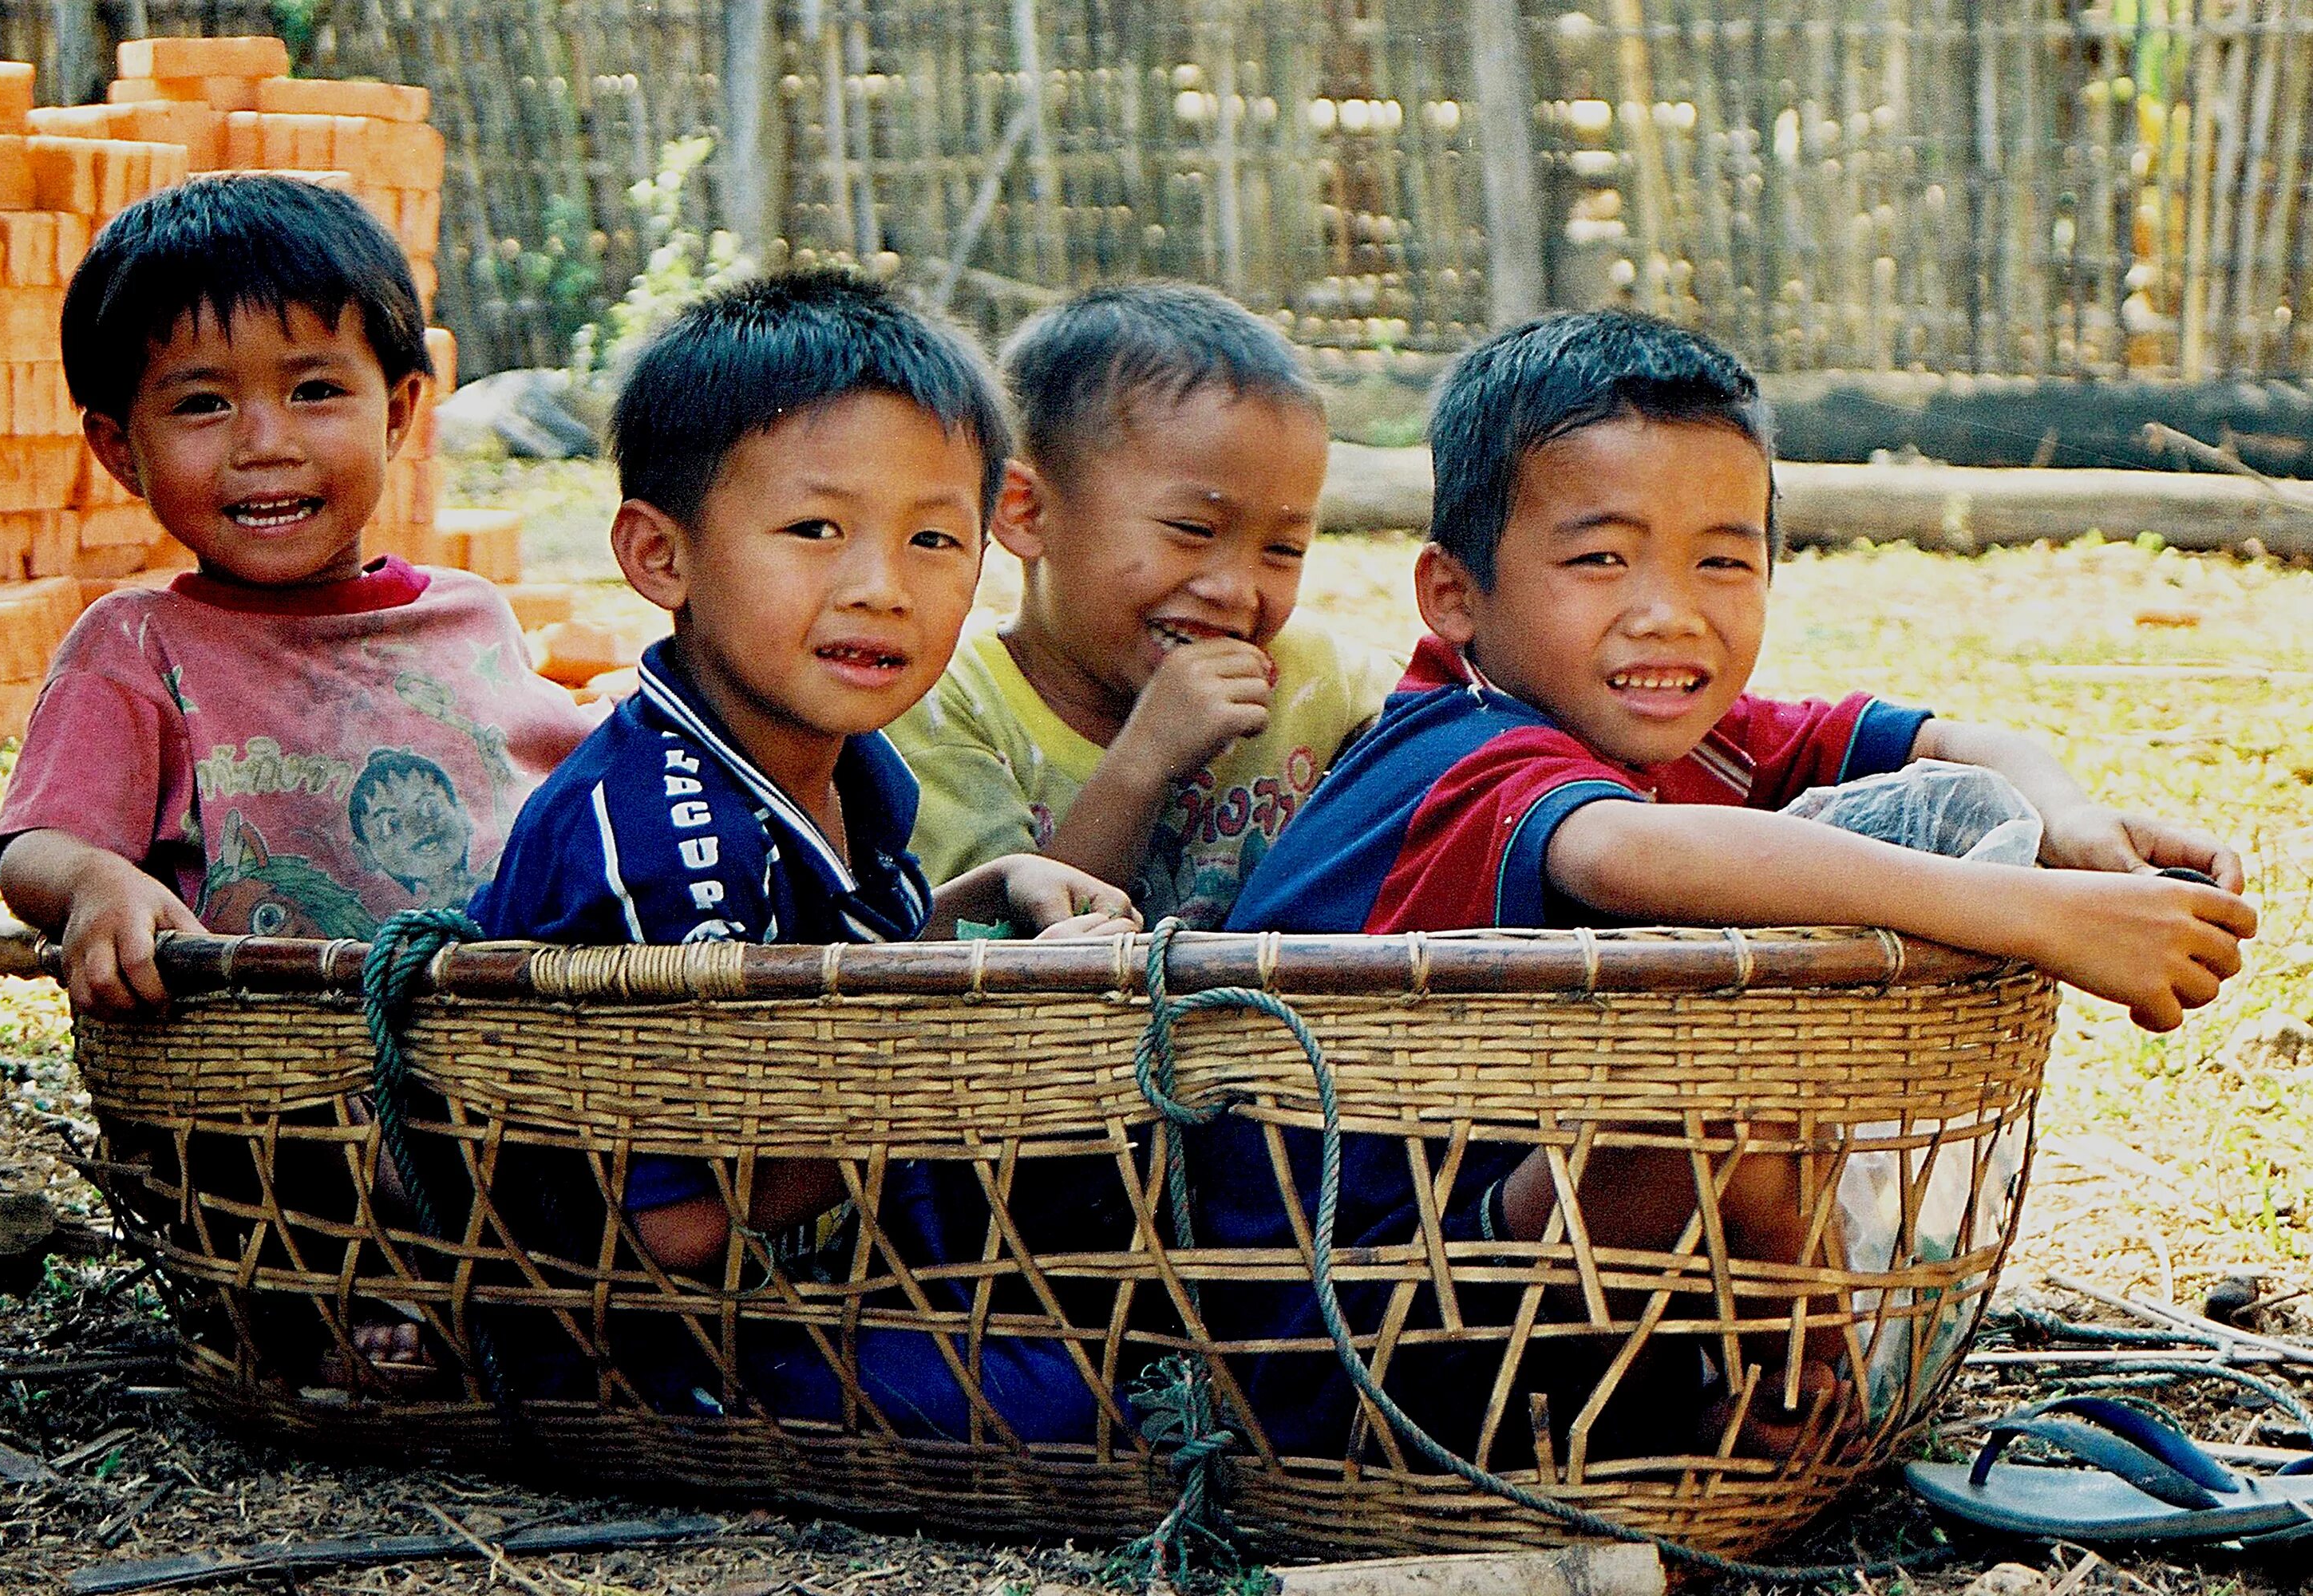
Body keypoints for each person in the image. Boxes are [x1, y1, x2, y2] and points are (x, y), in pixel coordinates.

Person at [1219, 308, 2256, 1457]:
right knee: (1717, 1097)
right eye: (1601, 557)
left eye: (1722, 559)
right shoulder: (1458, 746)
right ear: (1455, 597)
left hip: (1487, 1278)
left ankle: (1753, 1394)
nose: (1671, 610)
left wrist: (2068, 821)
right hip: (1324, 1335)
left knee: (1743, 1102)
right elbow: (1624, 853)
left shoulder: (1678, 732)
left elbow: (1955, 743)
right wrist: (2042, 916)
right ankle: (1776, 1361)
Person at [469, 271, 1138, 1436]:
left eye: (934, 538)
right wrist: (968, 1072)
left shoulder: (846, 767)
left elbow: (837, 990)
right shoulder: (665, 849)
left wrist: (990, 898)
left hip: (840, 1269)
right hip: (654, 1338)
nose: (882, 588)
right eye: (815, 529)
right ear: (659, 557)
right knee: (1112, 1408)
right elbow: (675, 1230)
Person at [0, 173, 595, 1013]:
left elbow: (571, 798)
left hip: (495, 1088)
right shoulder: (137, 648)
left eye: (315, 391)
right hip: (269, 1103)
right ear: (120, 448)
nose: (266, 444)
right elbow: (34, 841)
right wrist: (96, 881)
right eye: (204, 403)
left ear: (397, 411)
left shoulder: (470, 617)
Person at [886, 282, 1402, 927]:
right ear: (1027, 510)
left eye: (1284, 550)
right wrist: (1147, 761)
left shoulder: (1313, 679)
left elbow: (1463, 735)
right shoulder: (940, 709)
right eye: (1192, 531)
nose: (1237, 590)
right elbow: (1001, 968)